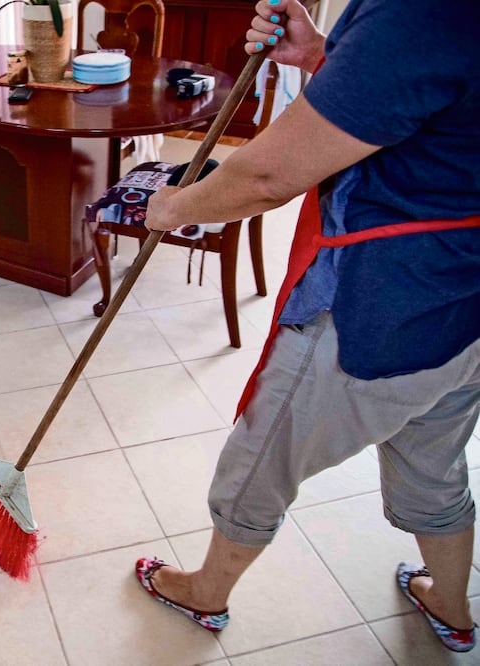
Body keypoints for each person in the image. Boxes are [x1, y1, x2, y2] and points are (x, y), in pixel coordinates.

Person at [135, 0, 480, 652]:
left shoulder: (423, 12)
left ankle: (205, 594)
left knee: (258, 463)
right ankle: (451, 607)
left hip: (375, 309)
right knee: (432, 465)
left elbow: (267, 176)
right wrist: (326, 55)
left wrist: (173, 206)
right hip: (463, 309)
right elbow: (440, 102)